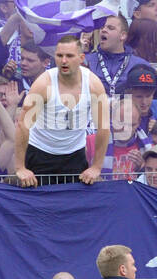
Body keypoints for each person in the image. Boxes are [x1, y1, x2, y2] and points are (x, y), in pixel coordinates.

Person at [15, 35, 110, 186]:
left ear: (81, 58)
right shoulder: (43, 84)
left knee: (74, 207)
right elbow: (22, 125)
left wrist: (96, 166)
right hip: (39, 153)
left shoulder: (93, 84)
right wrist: (20, 167)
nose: (64, 60)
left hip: (75, 155)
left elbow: (103, 127)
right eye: (59, 56)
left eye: (69, 56)